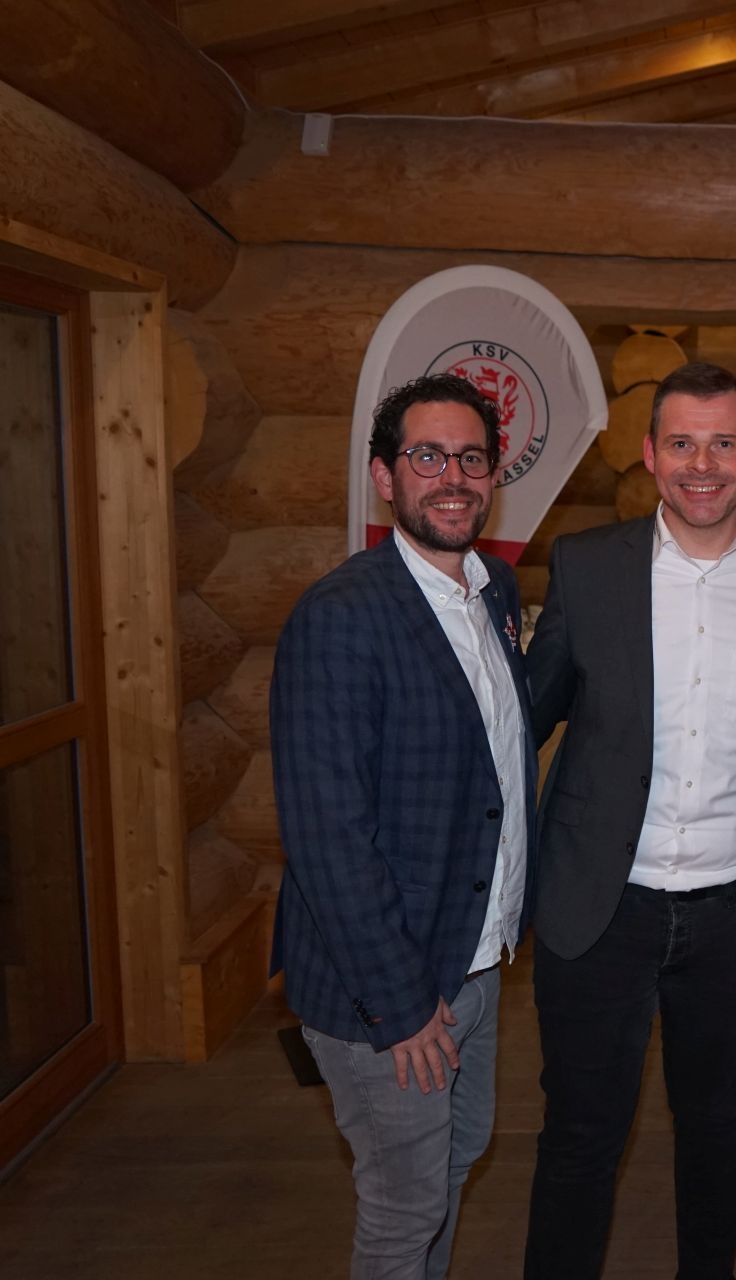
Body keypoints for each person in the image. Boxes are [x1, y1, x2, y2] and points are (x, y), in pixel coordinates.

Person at [524, 361, 736, 1280]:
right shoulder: (586, 567)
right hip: (599, 907)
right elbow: (524, 719)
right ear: (650, 454)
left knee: (716, 1121)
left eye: (723, 443)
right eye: (682, 443)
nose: (703, 464)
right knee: (580, 1134)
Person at [270, 373, 535, 1280]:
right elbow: (326, 836)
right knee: (404, 1205)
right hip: (389, 985)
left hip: (474, 956)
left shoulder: (494, 589)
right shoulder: (341, 618)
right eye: (427, 457)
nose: (452, 477)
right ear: (385, 477)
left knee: (454, 1164)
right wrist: (401, 1004)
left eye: (471, 458)